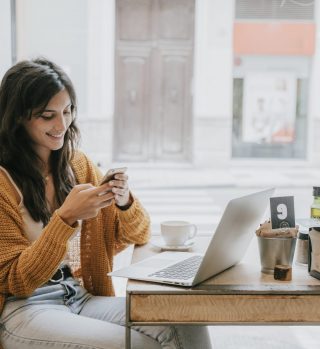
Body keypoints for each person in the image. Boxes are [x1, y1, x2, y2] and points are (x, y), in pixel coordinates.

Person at [0, 58, 212, 349]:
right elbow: (16, 281)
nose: (61, 124)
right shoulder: (3, 183)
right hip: (25, 309)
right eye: (47, 116)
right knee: (141, 345)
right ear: (18, 117)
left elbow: (137, 234)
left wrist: (123, 201)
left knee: (183, 318)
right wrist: (65, 219)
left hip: (77, 295)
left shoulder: (77, 165)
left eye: (67, 111)